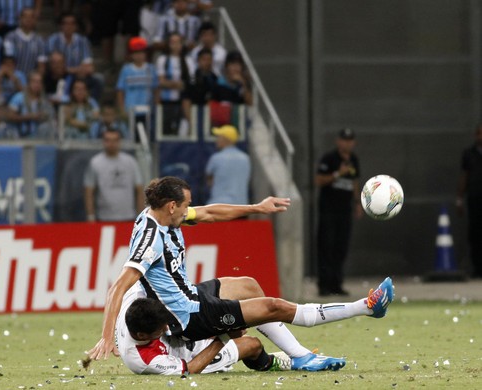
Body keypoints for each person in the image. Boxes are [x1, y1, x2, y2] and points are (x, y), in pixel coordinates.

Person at [88, 176, 394, 363]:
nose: (189, 209)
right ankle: (366, 308)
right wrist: (106, 337)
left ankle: (299, 355)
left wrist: (257, 208)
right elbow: (118, 286)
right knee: (274, 306)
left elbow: (209, 213)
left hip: (190, 295)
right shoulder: (151, 239)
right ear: (171, 206)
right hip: (188, 317)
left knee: (248, 285)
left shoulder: (162, 215)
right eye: (185, 205)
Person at [118, 297, 302, 375]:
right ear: (142, 335)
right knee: (252, 345)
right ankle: (269, 363)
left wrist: (105, 336)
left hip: (184, 336)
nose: (166, 328)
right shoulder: (143, 358)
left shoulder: (133, 308)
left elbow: (121, 287)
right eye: (160, 329)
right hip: (188, 357)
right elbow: (190, 369)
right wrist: (224, 337)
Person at [315, 128, 363, 296]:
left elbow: (355, 182)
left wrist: (357, 202)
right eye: (344, 140)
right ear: (338, 141)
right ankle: (323, 285)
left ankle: (337, 284)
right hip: (328, 211)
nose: (347, 143)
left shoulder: (354, 160)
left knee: (340, 248)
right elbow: (319, 180)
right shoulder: (329, 159)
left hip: (345, 211)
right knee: (326, 247)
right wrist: (337, 174)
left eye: (350, 140)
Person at [83, 128, 144, 222]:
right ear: (103, 142)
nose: (111, 144)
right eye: (108, 140)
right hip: (103, 217)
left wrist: (141, 217)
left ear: (119, 142)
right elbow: (89, 191)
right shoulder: (95, 163)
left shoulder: (130, 162)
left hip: (128, 217)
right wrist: (90, 216)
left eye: (115, 140)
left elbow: (139, 190)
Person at [46, 12, 102, 100]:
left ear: (76, 26)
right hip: (58, 76)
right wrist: (77, 69)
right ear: (61, 25)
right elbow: (53, 64)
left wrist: (67, 70)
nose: (69, 26)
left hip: (77, 76)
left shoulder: (83, 41)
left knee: (98, 79)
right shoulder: (53, 40)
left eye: (72, 23)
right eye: (66, 23)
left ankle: (92, 107)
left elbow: (89, 68)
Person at [156, 32, 194, 136]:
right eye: (173, 42)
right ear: (168, 44)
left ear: (182, 44)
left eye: (178, 42)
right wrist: (178, 85)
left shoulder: (188, 60)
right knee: (165, 130)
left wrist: (170, 84)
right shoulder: (162, 60)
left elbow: (188, 83)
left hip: (181, 102)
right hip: (166, 101)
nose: (175, 45)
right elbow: (161, 82)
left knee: (180, 130)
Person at [116, 36, 158, 131]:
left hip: (147, 109)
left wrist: (156, 106)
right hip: (130, 109)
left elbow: (156, 89)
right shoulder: (126, 69)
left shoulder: (151, 69)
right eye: (136, 53)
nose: (139, 55)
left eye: (141, 52)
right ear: (131, 55)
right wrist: (122, 110)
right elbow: (120, 91)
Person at [457, 124, 482, 278]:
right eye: (479, 134)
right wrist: (459, 199)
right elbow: (464, 176)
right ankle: (478, 268)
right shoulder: (469, 154)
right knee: (475, 234)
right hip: (475, 199)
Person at [205, 125, 250, 205]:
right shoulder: (245, 158)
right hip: (241, 206)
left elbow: (209, 181)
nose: (217, 140)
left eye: (219, 137)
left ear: (225, 139)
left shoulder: (216, 158)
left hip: (219, 206)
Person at [7, 71, 55, 138]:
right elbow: (9, 116)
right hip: (20, 136)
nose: (37, 84)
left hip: (39, 137)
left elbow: (51, 117)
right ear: (28, 83)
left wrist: (44, 116)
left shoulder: (45, 101)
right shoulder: (18, 97)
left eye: (39, 82)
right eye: (34, 81)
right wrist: (30, 117)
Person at [3, 7, 46, 75]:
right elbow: (8, 63)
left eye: (31, 17)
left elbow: (41, 67)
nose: (28, 19)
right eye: (25, 16)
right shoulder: (10, 37)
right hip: (13, 78)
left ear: (35, 20)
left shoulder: (39, 41)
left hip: (31, 81)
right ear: (20, 18)